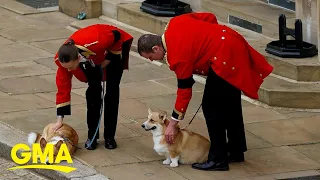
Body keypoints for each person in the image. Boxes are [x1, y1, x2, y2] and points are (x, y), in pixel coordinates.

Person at [137, 12, 273, 171]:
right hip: (231, 40)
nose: (152, 60)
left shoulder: (177, 56)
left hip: (224, 57)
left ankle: (218, 159)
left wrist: (173, 124)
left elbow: (184, 92)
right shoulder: (174, 22)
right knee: (230, 103)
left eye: (151, 57)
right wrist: (210, 39)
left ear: (156, 47)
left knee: (211, 107)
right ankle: (236, 150)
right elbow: (209, 17)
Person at [53, 24, 133, 150]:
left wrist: (108, 59)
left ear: (77, 58)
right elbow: (63, 88)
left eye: (70, 67)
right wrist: (59, 119)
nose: (68, 70)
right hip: (92, 60)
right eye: (66, 67)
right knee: (93, 94)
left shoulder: (97, 39)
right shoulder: (63, 61)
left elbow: (117, 37)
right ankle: (92, 136)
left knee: (112, 93)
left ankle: (109, 137)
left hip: (113, 52)